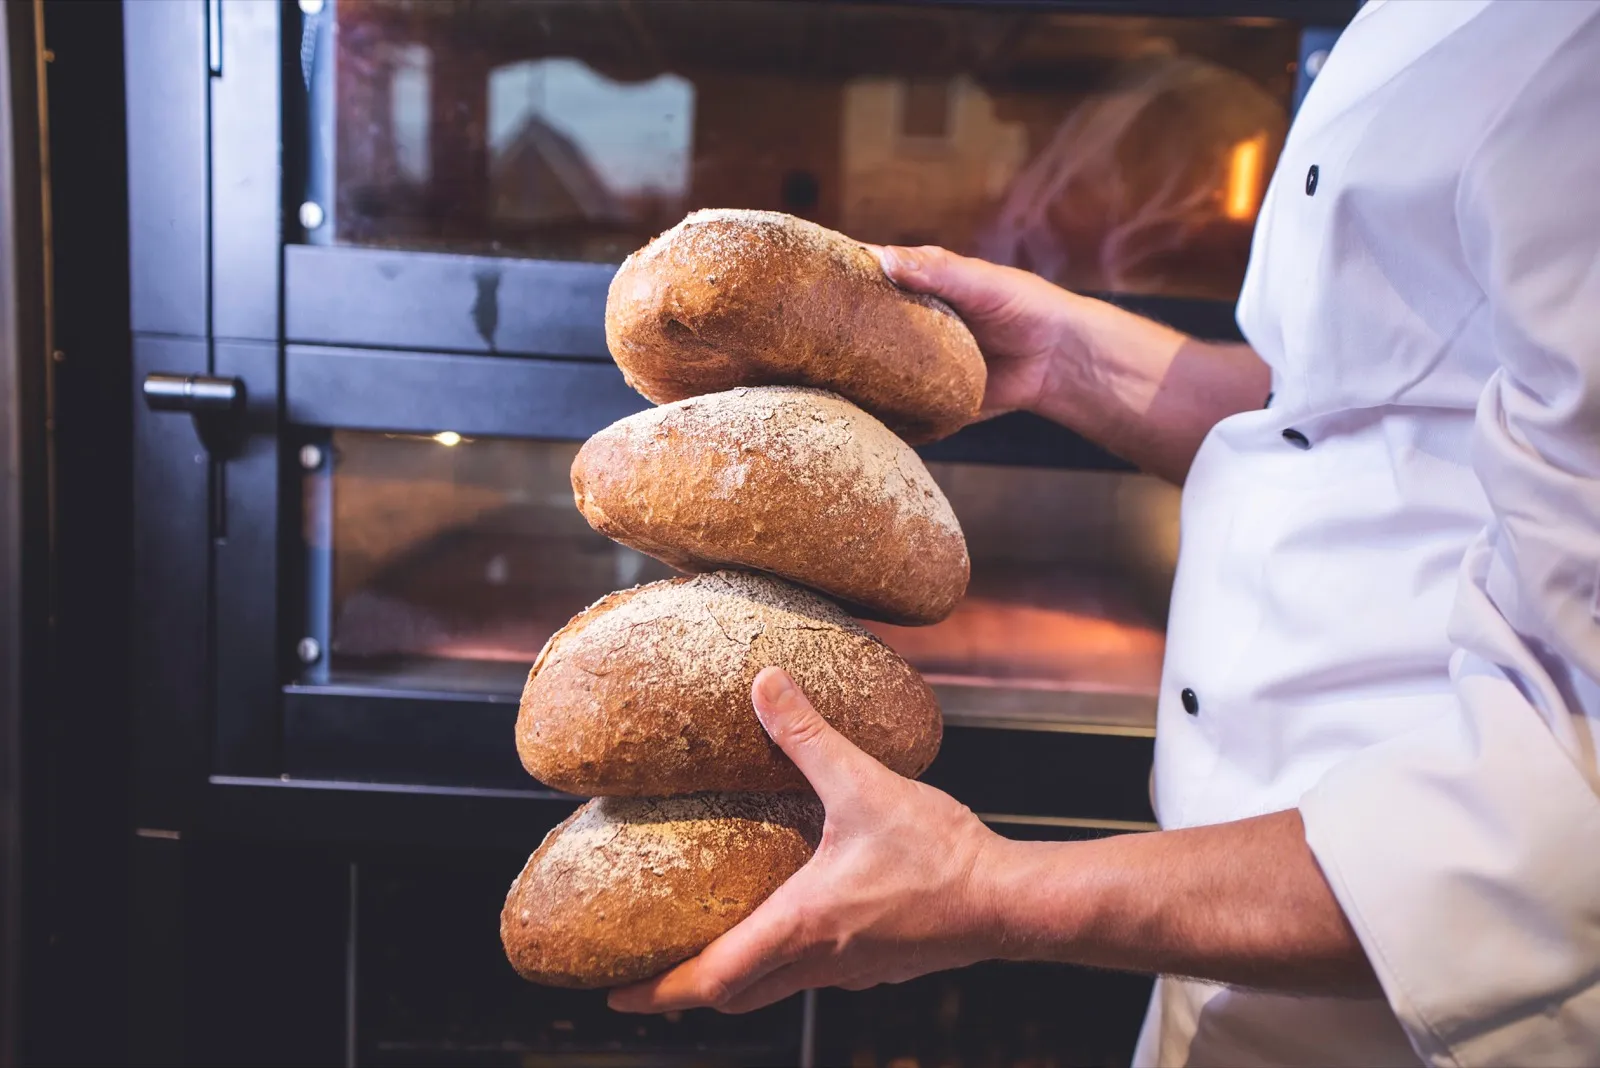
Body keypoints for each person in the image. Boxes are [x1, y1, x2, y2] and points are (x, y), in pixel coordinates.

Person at [610, 2, 1600, 1063]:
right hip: (1226, 930)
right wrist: (1071, 361)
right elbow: (1365, 420)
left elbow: (1565, 809)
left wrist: (991, 894)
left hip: (1446, 1007)